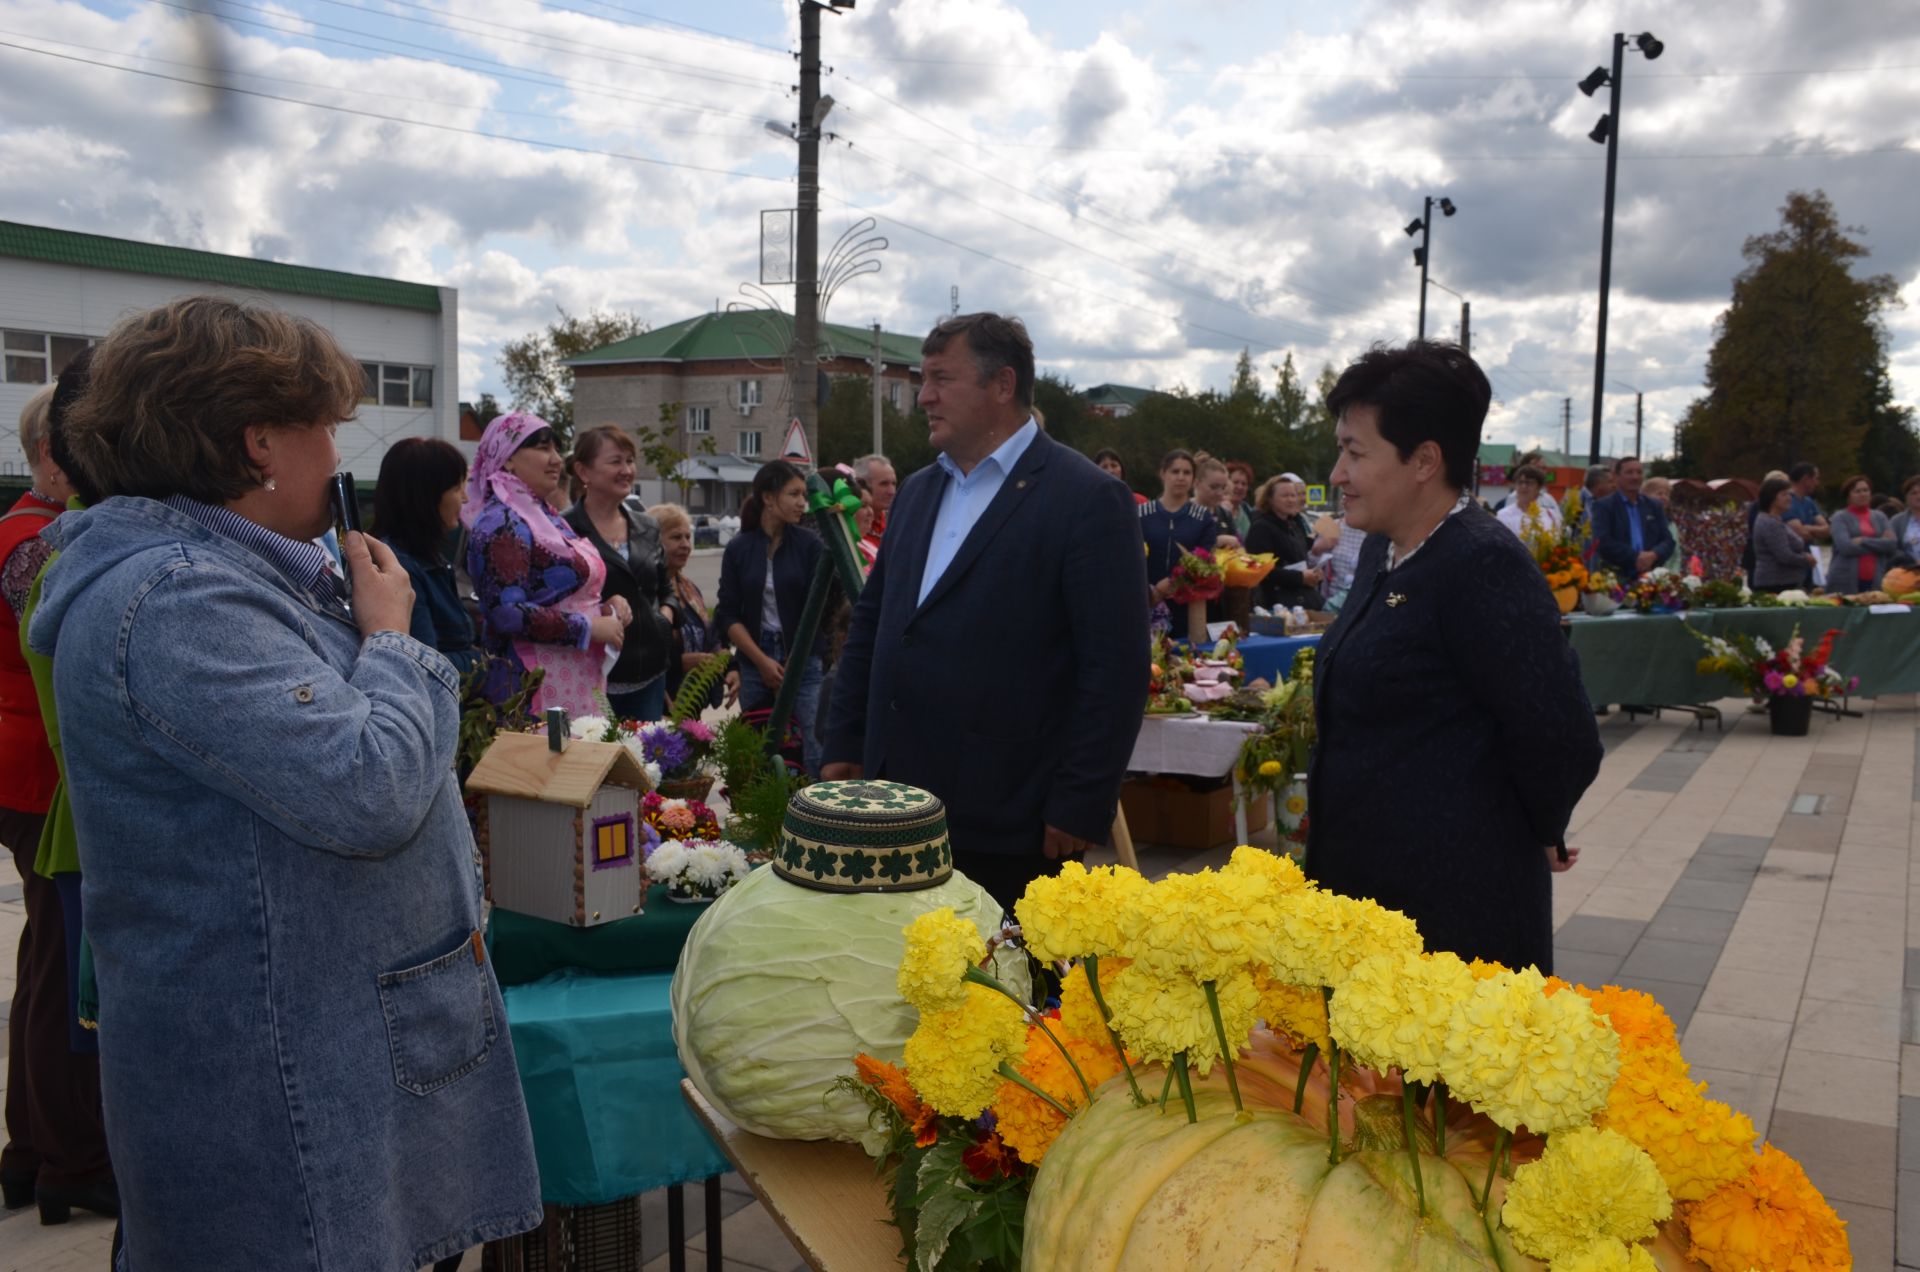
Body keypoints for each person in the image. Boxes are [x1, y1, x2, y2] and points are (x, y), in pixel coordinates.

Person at [30, 295, 540, 1268]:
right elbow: (368, 787)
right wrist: (389, 635)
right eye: (325, 427)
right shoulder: (180, 599)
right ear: (259, 441)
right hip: (281, 1094)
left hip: (311, 1058)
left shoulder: (230, 577)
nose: (337, 455)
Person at [822, 313, 1147, 909]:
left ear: (1002, 385)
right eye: (923, 380)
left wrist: (1080, 801)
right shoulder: (920, 491)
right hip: (895, 807)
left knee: (1004, 993)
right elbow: (874, 626)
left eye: (941, 379)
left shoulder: (1087, 499)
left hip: (1011, 821)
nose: (924, 397)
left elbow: (1116, 668)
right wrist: (843, 743)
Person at [1307, 341, 1600, 973]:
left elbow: (1560, 731)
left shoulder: (1481, 563)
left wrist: (1537, 823)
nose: (1338, 472)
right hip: (1373, 903)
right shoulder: (1383, 553)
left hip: (1450, 920)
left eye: (1355, 452)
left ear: (1424, 461)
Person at [3, 382, 115, 1228]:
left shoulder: (31, 534)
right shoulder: (36, 543)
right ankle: (66, 1155)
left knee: (47, 965)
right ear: (56, 455)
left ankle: (36, 1150)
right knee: (60, 975)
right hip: (44, 780)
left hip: (37, 775)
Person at [464, 413, 628, 715]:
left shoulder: (541, 514)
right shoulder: (501, 521)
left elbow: (561, 594)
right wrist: (588, 627)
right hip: (532, 684)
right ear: (507, 458)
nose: (555, 460)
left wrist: (606, 607)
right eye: (542, 449)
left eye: (555, 449)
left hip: (569, 677)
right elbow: (506, 613)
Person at [715, 460, 827, 774]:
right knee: (759, 749)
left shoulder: (810, 546)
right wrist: (761, 661)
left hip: (803, 660)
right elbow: (727, 614)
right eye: (794, 494)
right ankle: (769, 820)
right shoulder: (739, 548)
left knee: (814, 748)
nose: (802, 502)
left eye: (804, 494)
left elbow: (818, 609)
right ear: (768, 497)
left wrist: (794, 662)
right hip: (755, 660)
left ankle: (815, 818)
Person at [564, 425, 673, 720]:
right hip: (593, 677)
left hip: (649, 675)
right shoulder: (563, 531)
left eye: (630, 460)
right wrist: (602, 609)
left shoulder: (647, 526)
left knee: (645, 765)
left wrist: (663, 619)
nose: (627, 470)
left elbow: (665, 588)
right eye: (615, 461)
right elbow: (557, 604)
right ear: (584, 472)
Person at [374, 436, 480, 678]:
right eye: (456, 488)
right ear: (425, 497)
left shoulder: (427, 559)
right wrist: (481, 661)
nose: (464, 498)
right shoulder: (400, 569)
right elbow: (426, 667)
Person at [650, 502, 735, 711]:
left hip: (691, 704)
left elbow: (711, 638)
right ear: (653, 542)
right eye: (676, 537)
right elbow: (637, 653)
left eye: (688, 537)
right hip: (655, 703)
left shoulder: (689, 589)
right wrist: (679, 664)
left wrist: (730, 666)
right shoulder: (645, 591)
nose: (686, 545)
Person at [1140, 449, 1220, 602]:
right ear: (1163, 474)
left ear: (1194, 479)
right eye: (1175, 471)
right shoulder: (1142, 514)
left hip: (1187, 603)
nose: (1181, 477)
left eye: (1187, 472)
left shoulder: (1202, 518)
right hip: (1146, 601)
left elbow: (1205, 562)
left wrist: (1171, 581)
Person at [1244, 473, 1323, 611]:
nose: (1291, 500)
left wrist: (1314, 574)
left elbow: (1300, 561)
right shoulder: (1261, 527)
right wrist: (1301, 577)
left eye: (1293, 495)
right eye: (1285, 496)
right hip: (1275, 604)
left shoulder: (1294, 525)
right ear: (1270, 499)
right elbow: (1262, 571)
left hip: (1300, 599)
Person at [1590, 456, 1676, 581]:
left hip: (1651, 578)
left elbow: (1668, 541)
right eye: (1629, 472)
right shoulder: (1604, 506)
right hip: (1617, 578)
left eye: (1639, 472)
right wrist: (1636, 557)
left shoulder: (1654, 506)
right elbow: (1602, 541)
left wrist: (1653, 555)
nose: (1635, 477)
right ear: (1616, 477)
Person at [1828, 475, 1898, 594]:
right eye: (1857, 491)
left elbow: (1891, 544)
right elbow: (1846, 547)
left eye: (1866, 490)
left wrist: (1862, 540)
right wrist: (1879, 543)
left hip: (1876, 578)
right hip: (1845, 579)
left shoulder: (1880, 517)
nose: (1862, 494)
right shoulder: (1839, 518)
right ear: (1848, 495)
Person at [1750, 476, 1816, 593]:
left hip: (1785, 583)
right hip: (1776, 585)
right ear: (1772, 498)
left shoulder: (1776, 520)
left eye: (1790, 495)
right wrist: (1806, 560)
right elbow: (1784, 555)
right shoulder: (1769, 522)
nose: (1789, 498)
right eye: (1784, 495)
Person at [1494, 463, 1563, 546]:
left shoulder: (1551, 515)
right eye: (1520, 482)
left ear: (1539, 488)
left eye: (1529, 483)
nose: (1524, 486)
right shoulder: (1503, 516)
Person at [1561, 464, 1613, 552]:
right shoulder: (1574, 501)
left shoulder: (1606, 502)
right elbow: (1565, 532)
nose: (1614, 485)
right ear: (1599, 484)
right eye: (1610, 481)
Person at [1192, 456, 1240, 543]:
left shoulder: (1225, 514)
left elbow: (1238, 546)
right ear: (1196, 483)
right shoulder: (1183, 512)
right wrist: (1215, 542)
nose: (1220, 493)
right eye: (1214, 487)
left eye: (1223, 487)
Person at [852, 454, 898, 538]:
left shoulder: (896, 523)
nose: (892, 491)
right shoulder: (849, 530)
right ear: (861, 485)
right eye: (884, 484)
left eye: (894, 484)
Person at [1891, 476, 1920, 569]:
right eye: (1914, 493)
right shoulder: (1897, 521)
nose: (1918, 496)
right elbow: (1891, 547)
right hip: (1907, 573)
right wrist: (1909, 560)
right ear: (1906, 497)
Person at [1223, 461, 1256, 539]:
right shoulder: (1215, 509)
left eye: (1244, 484)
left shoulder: (1249, 512)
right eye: (1235, 482)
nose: (1240, 487)